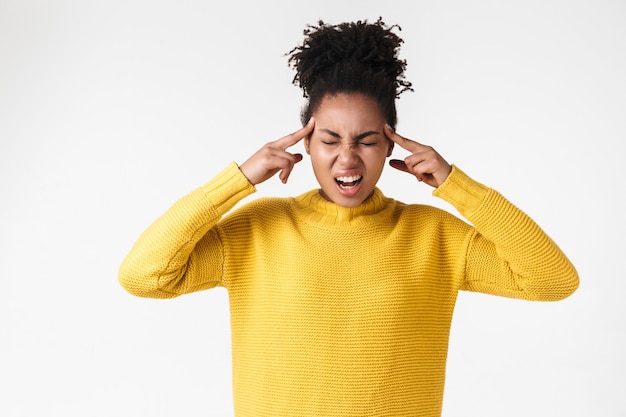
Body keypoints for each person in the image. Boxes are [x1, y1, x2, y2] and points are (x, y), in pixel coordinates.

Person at [118, 18, 579, 417]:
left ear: (392, 145)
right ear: (305, 144)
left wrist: (456, 185)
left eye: (366, 140)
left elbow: (552, 280)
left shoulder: (433, 236)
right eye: (330, 140)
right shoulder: (257, 230)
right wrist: (238, 180)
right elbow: (144, 276)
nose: (347, 159)